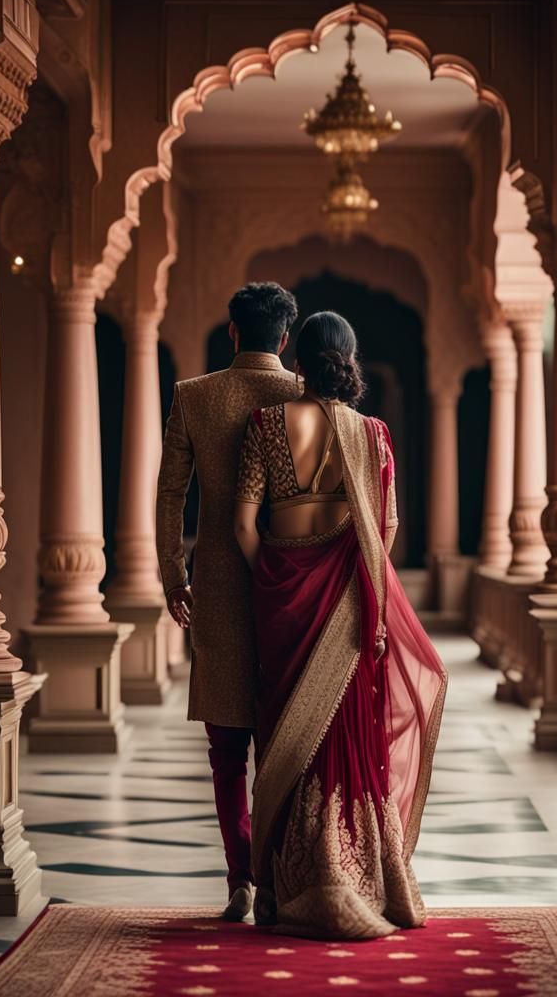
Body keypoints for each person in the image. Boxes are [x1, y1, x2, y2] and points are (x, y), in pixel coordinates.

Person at [234, 311, 448, 939]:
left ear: (296, 360)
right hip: (350, 601)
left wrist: (273, 576)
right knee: (346, 733)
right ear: (348, 361)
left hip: (281, 602)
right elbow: (386, 528)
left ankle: (287, 885)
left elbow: (244, 525)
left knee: (283, 731)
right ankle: (356, 874)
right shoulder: (372, 434)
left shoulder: (266, 425)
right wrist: (356, 584)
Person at [155, 282, 301, 922]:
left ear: (234, 331)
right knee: (281, 738)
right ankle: (275, 880)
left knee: (226, 749)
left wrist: (172, 572)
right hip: (287, 585)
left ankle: (240, 878)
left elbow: (170, 495)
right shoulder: (304, 397)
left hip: (214, 582)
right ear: (285, 338)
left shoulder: (194, 395)